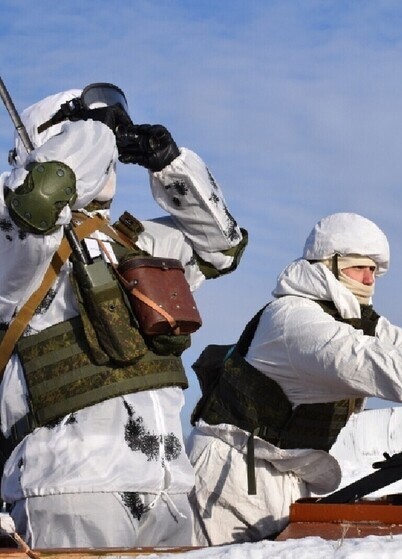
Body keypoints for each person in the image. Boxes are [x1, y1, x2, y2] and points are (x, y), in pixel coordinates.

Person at [0, 84, 247, 548]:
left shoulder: (137, 243)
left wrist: (170, 163)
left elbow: (223, 249)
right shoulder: (15, 240)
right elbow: (38, 200)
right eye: (85, 126)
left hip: (171, 491)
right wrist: (94, 130)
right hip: (70, 488)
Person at [187, 212, 402, 544]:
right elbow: (362, 360)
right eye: (359, 266)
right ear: (327, 264)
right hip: (233, 473)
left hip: (283, 470)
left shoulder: (350, 320)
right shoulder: (291, 318)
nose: (369, 279)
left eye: (374, 270)